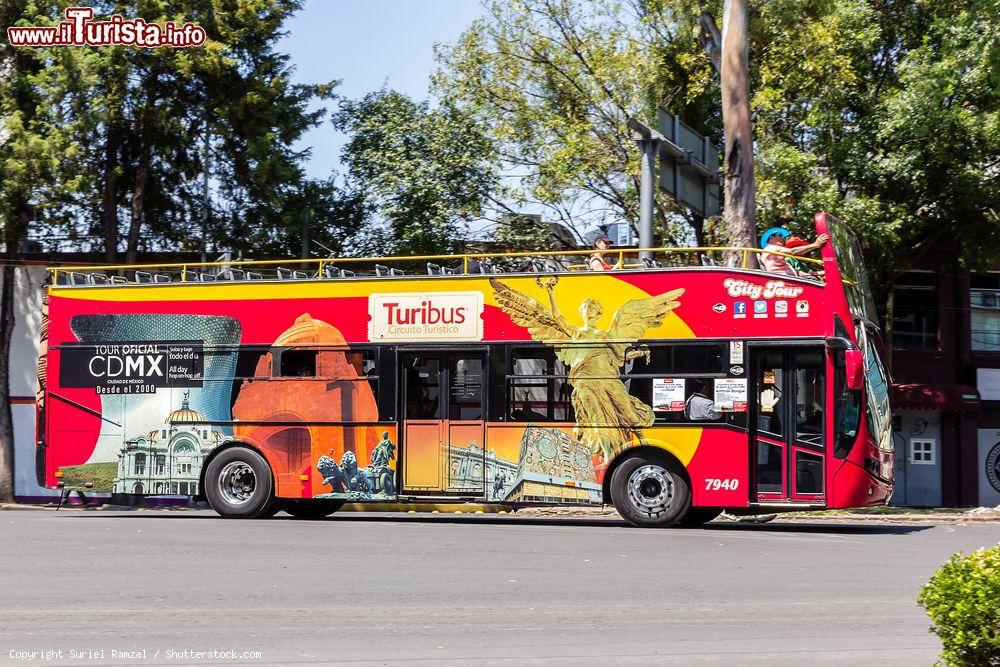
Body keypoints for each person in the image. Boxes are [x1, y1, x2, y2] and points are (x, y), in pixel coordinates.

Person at [759, 228, 828, 276]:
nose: (783, 238)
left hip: (791, 281)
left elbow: (796, 271)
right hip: (785, 281)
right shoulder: (770, 248)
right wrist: (815, 245)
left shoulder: (778, 256)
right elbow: (792, 251)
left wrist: (825, 273)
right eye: (780, 236)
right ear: (771, 238)